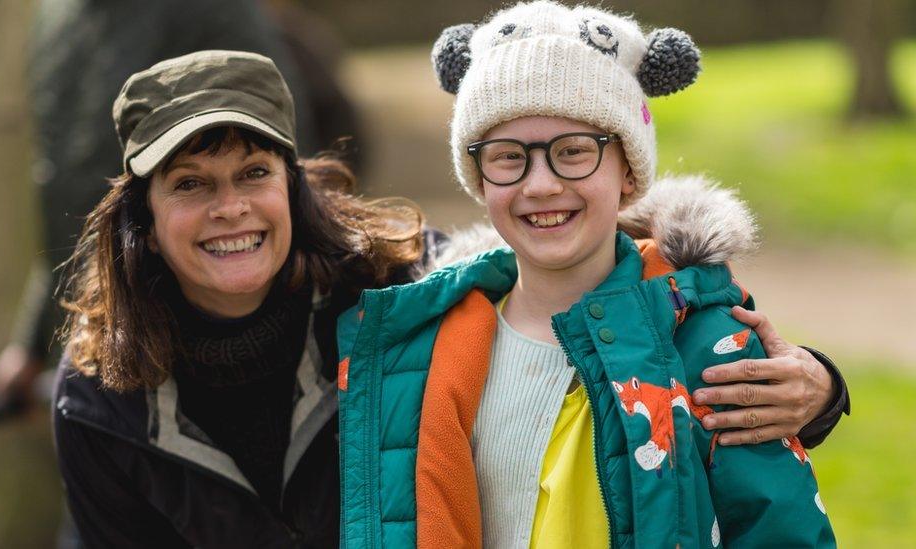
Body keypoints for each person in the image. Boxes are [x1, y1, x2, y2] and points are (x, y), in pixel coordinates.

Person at [335, 2, 836, 547]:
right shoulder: (419, 347)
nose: (542, 184)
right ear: (478, 178)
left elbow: (780, 528)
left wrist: (826, 386)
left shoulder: (703, 343)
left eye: (574, 152)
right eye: (508, 157)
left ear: (628, 170)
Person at [52, 51, 422, 548]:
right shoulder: (96, 399)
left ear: (293, 191)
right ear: (148, 227)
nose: (230, 208)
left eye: (253, 172)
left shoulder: (402, 300)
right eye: (189, 183)